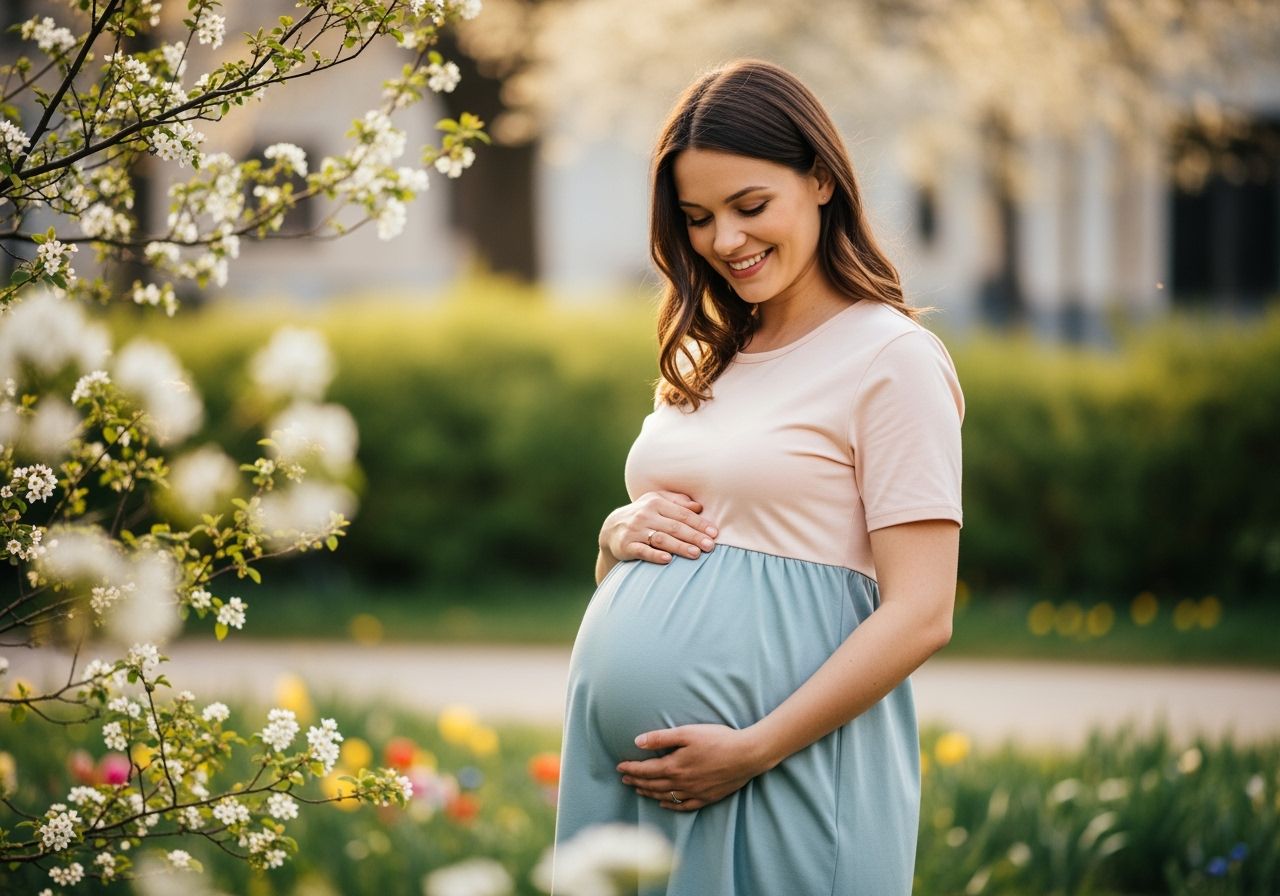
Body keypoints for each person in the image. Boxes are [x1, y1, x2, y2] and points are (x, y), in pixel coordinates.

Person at [552, 59, 963, 895]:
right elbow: (675, 560)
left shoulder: (892, 358)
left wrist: (751, 749)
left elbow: (922, 613)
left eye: (750, 206)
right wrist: (614, 536)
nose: (725, 241)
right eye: (698, 218)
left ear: (821, 179)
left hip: (783, 772)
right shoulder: (708, 354)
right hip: (634, 786)